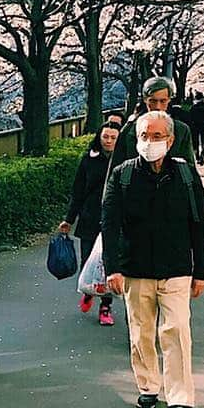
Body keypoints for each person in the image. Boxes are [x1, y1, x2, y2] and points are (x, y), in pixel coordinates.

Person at [102, 111, 204, 408]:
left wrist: (200, 271)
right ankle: (148, 385)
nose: (151, 142)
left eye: (157, 136)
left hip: (176, 268)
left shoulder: (186, 176)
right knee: (141, 332)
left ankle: (180, 398)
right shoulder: (123, 175)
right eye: (145, 136)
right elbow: (109, 225)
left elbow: (197, 225)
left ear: (171, 140)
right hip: (135, 268)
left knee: (177, 332)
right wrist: (113, 268)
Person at [58, 121, 120, 325]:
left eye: (113, 137)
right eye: (105, 137)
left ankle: (105, 306)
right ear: (99, 137)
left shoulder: (124, 161)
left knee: (108, 264)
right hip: (89, 217)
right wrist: (69, 219)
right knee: (88, 260)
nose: (109, 141)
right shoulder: (89, 160)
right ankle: (89, 289)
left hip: (113, 219)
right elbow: (78, 192)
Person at [108, 75, 198, 178]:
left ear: (169, 100)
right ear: (145, 100)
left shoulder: (181, 130)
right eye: (153, 101)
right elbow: (115, 169)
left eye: (162, 101)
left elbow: (189, 169)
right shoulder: (130, 129)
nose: (158, 106)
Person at [188, 92, 204, 163]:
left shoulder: (193, 107)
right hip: (203, 126)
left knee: (195, 141)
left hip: (195, 126)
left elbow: (190, 117)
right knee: (203, 141)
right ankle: (202, 155)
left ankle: (197, 156)